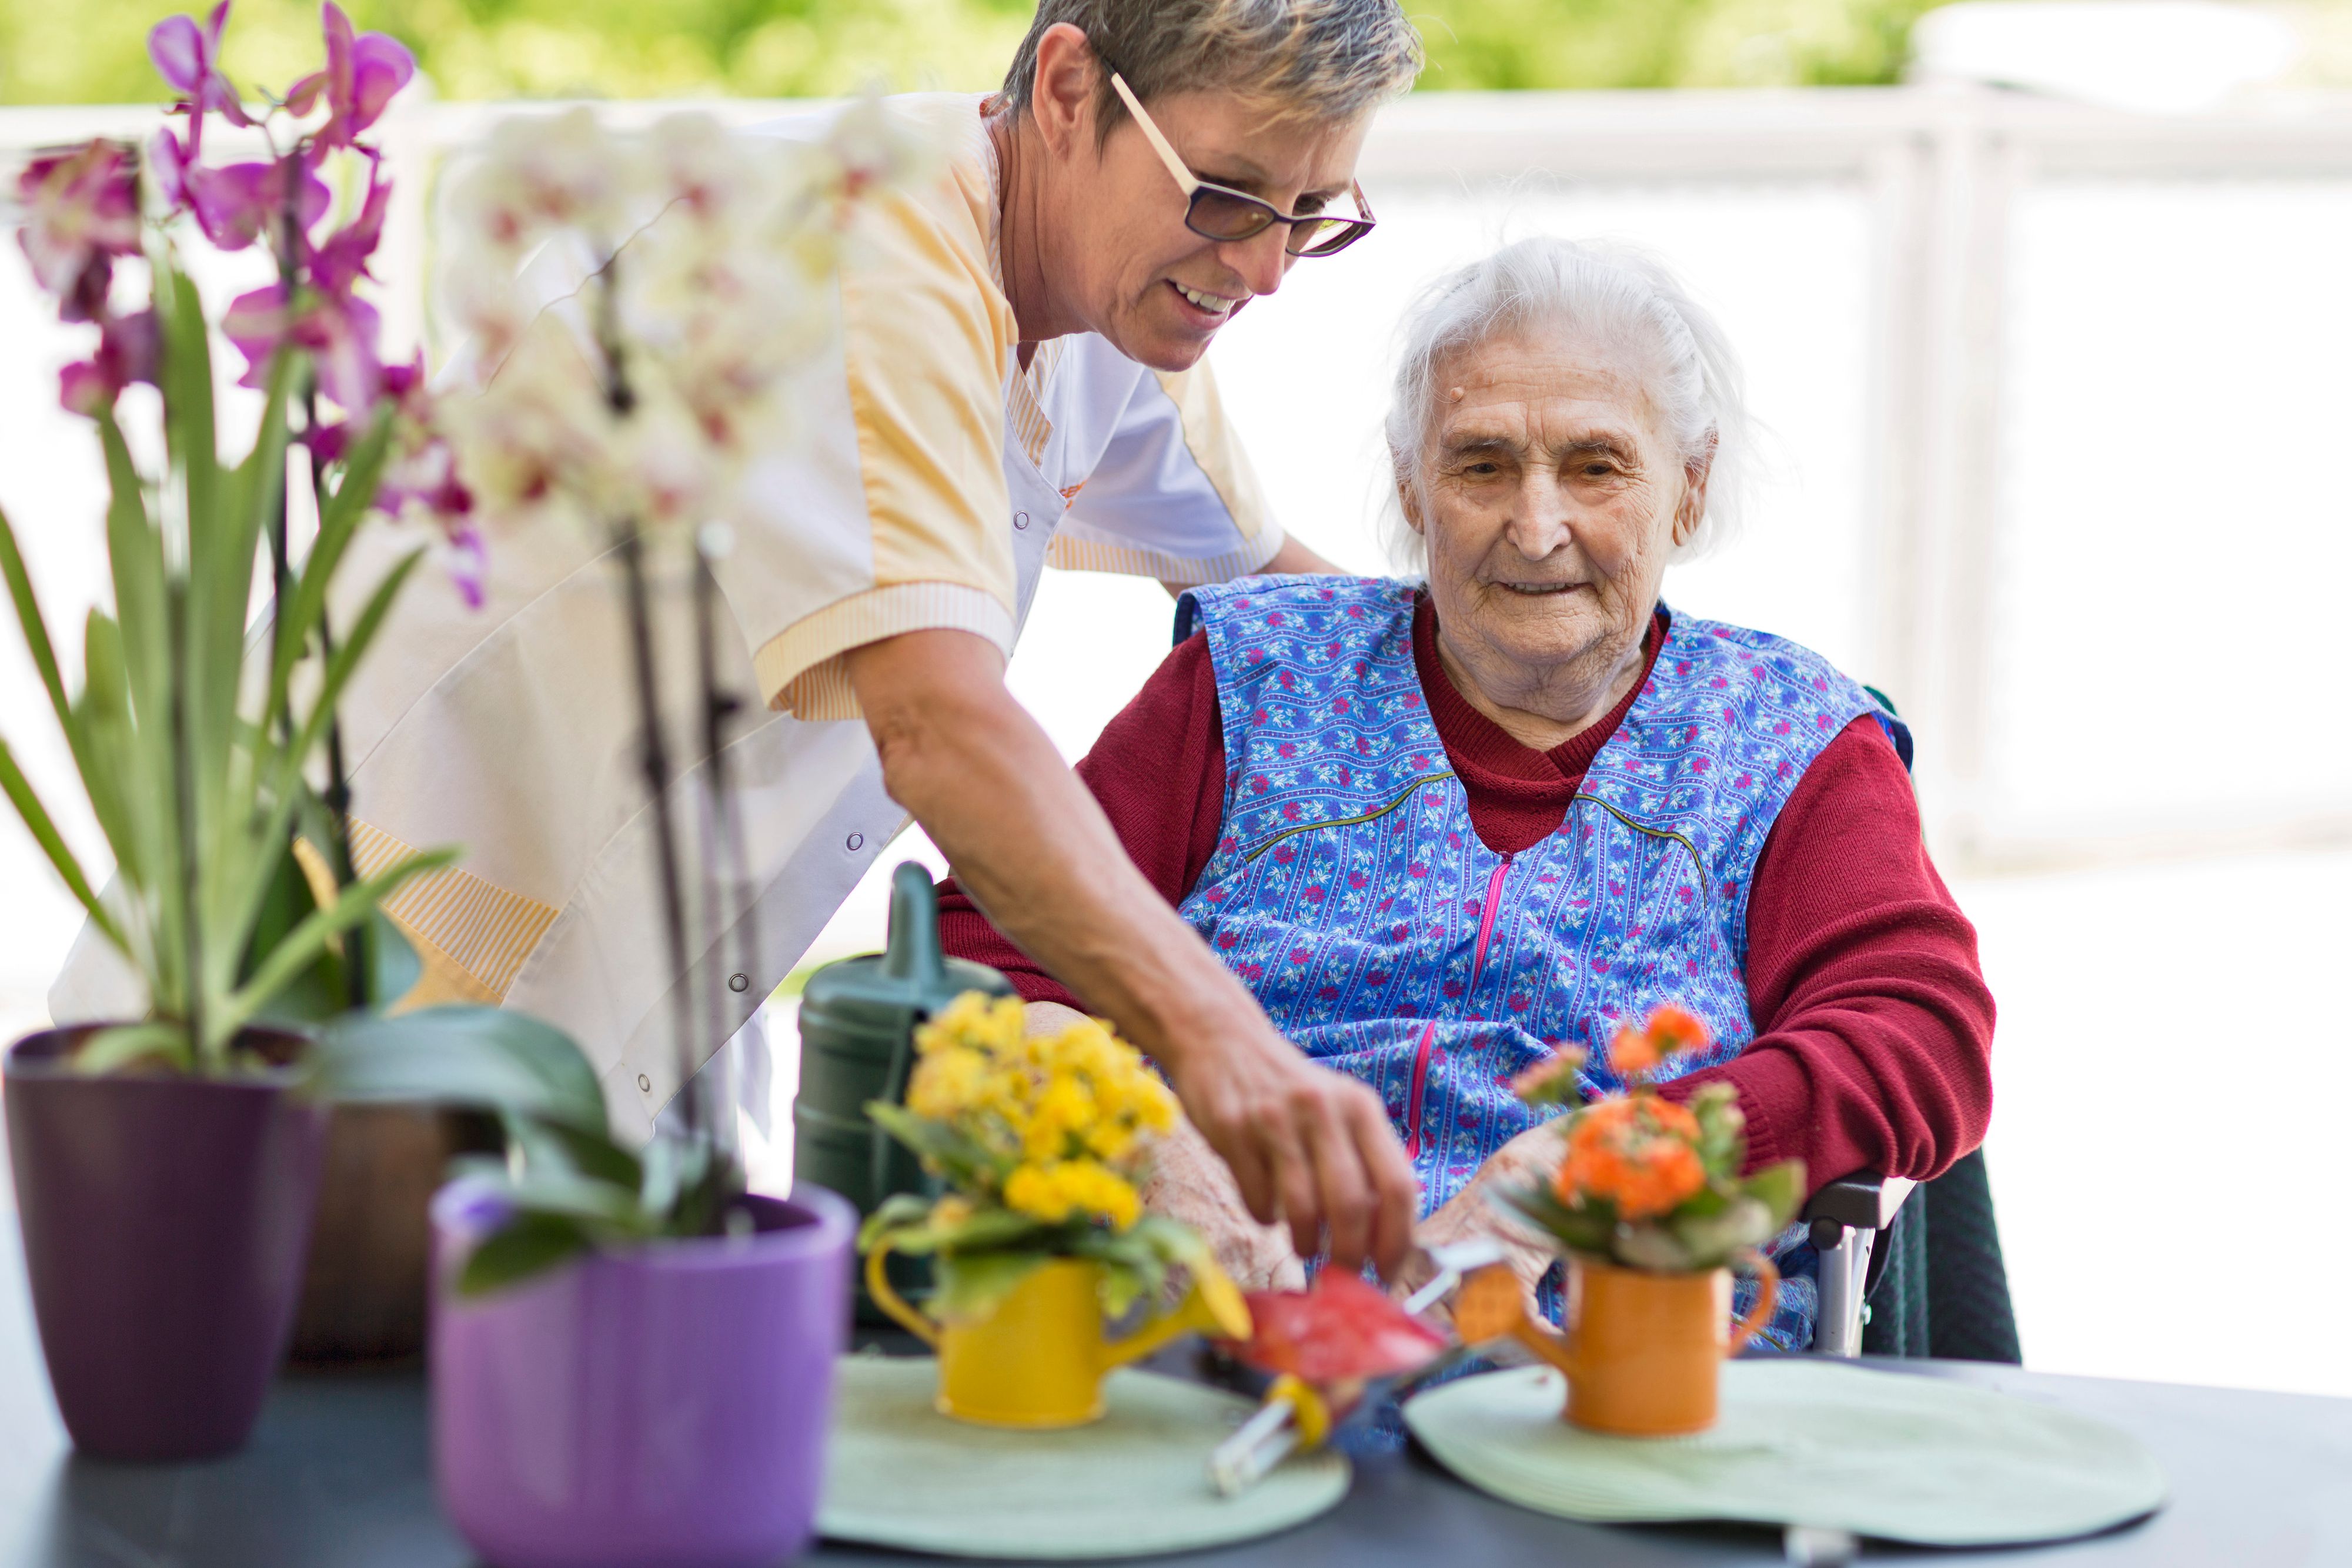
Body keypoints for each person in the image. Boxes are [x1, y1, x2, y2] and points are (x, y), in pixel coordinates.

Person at [47, 1, 1426, 1279]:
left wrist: (1536, 649)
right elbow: (938, 725)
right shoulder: (855, 252)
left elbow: (1283, 589)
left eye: (1310, 215)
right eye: (1226, 193)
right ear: (1068, 90)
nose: (1262, 268)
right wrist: (1223, 1044)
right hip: (336, 990)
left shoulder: (1104, 298)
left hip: (611, 1039)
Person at [941, 236, 1996, 1348]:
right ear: (1412, 487)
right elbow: (993, 936)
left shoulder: (1786, 736)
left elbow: (1920, 1033)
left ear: (1688, 489)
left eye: (1596, 468)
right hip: (1208, 1328)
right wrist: (1149, 1149)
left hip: (1607, 1366)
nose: (1536, 530)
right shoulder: (1253, 678)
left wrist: (1598, 1167)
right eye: (1482, 466)